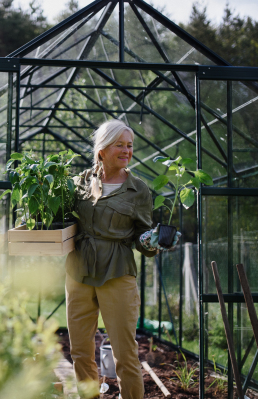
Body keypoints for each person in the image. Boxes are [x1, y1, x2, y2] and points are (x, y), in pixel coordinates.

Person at [64, 119, 178, 399]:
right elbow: (64, 222)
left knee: (125, 354)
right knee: (80, 352)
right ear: (102, 149)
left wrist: (152, 241)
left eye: (129, 146)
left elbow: (141, 236)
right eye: (120, 145)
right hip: (78, 272)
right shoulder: (80, 182)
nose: (127, 151)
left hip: (117, 273)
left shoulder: (138, 189)